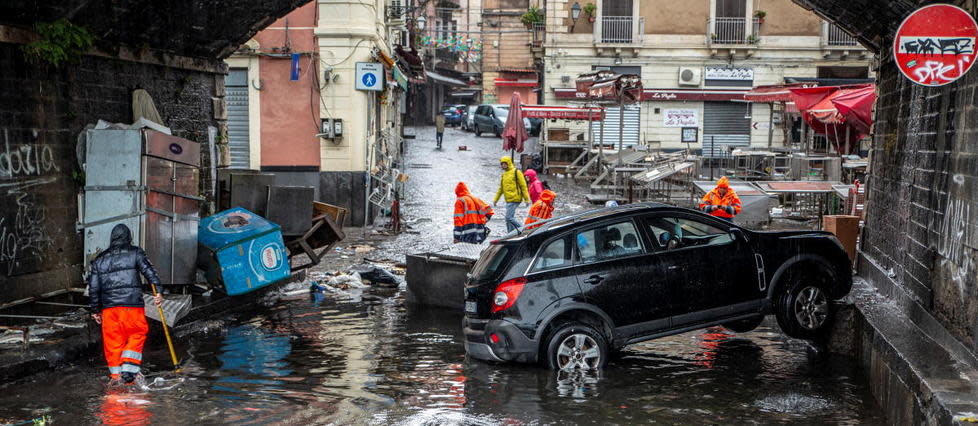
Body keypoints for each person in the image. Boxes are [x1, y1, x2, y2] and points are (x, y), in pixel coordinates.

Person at [88, 224, 163, 384]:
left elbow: (94, 287)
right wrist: (158, 291)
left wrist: (95, 310)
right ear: (129, 238)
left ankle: (117, 381)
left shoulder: (99, 260)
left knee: (113, 344)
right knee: (137, 333)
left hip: (109, 310)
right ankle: (129, 371)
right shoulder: (135, 252)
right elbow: (150, 272)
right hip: (132, 306)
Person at [493, 156, 530, 232]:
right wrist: (495, 199)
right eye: (502, 164)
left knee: (508, 217)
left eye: (504, 164)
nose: (503, 165)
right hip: (508, 200)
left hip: (515, 198)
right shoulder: (504, 175)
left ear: (508, 163)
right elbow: (501, 189)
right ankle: (511, 234)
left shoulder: (517, 172)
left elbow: (523, 186)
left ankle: (524, 228)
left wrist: (526, 199)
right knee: (509, 220)